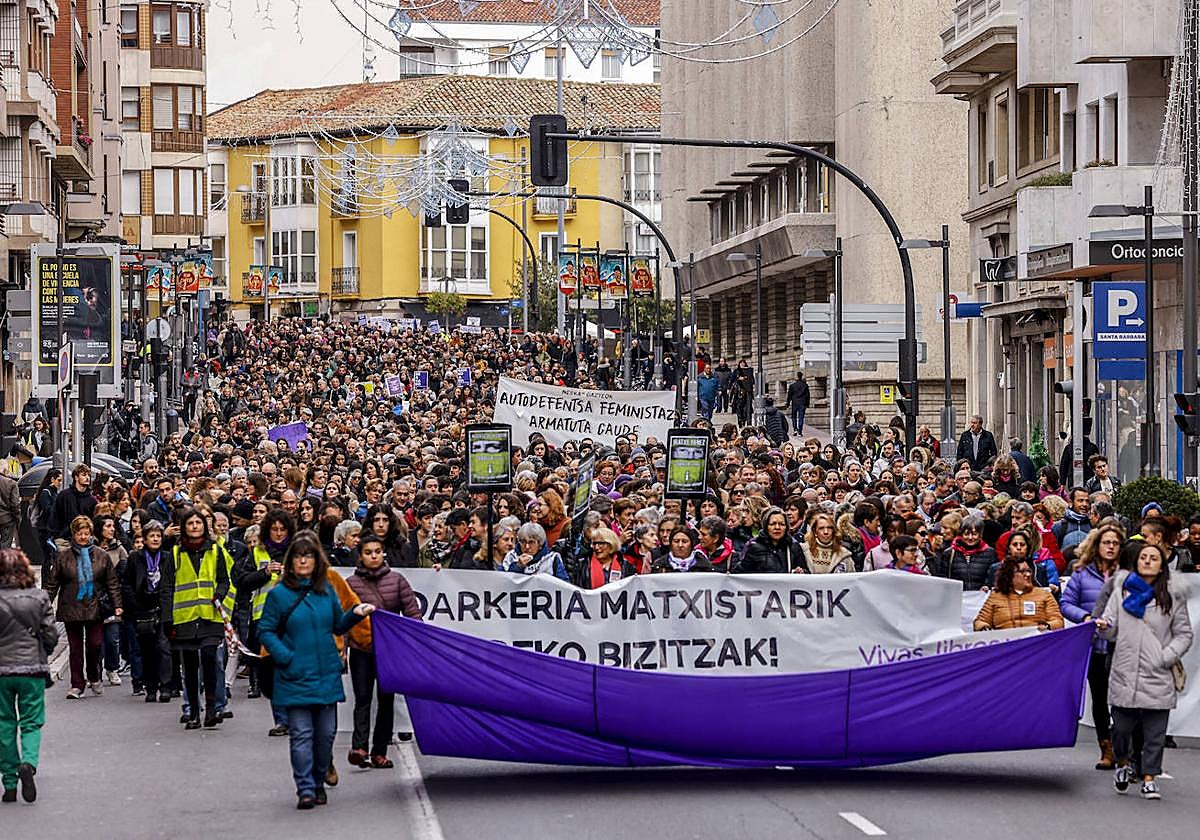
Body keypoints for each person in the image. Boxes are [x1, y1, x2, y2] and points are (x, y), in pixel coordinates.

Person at [257, 532, 373, 809]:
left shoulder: (326, 591)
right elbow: (266, 630)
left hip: (325, 673)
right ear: (290, 561)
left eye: (308, 556)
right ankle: (306, 788)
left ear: (316, 560)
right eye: (298, 556)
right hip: (294, 675)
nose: (303, 561)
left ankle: (319, 779)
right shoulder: (279, 595)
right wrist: (285, 656)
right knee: (301, 735)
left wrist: (355, 615)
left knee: (326, 735)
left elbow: (337, 625)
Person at [1097, 542, 1193, 800]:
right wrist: (1104, 627)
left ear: (1162, 565)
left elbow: (1184, 634)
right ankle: (1122, 763)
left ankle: (1150, 778)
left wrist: (1165, 656)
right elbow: (1111, 628)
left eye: (1154, 558)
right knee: (1121, 729)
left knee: (1155, 734)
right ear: (1136, 562)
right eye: (1143, 557)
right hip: (1125, 669)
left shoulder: (1172, 596)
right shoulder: (1121, 592)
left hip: (1157, 672)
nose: (1148, 561)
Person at [343, 533, 420, 770]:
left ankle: (379, 752)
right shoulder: (351, 584)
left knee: (386, 700)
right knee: (362, 698)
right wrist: (341, 649)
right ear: (360, 556)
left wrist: (415, 644)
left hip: (389, 652)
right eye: (368, 552)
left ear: (383, 553)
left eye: (377, 551)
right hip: (361, 650)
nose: (374, 556)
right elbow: (343, 618)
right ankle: (359, 748)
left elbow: (412, 614)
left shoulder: (397, 580)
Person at [160, 508, 233, 729]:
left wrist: (219, 594)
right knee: (190, 666)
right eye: (190, 523)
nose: (194, 526)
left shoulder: (215, 550)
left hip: (210, 616)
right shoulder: (175, 554)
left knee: (210, 658)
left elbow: (224, 579)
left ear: (204, 526)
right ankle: (193, 711)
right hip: (184, 618)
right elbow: (167, 587)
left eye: (198, 523)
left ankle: (211, 709)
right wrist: (167, 618)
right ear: (184, 527)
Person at [1061, 523, 1123, 770]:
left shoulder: (1128, 574)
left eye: (1115, 543)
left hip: (1122, 645)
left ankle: (1124, 746)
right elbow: (1066, 603)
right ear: (1097, 545)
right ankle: (1106, 748)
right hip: (1094, 645)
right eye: (1106, 542)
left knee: (1123, 698)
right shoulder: (1082, 573)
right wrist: (1086, 617)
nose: (1111, 547)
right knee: (1099, 697)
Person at [0, 549, 58, 804]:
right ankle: (28, 763)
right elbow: (51, 634)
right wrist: (43, 651)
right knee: (31, 721)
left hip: (1, 671)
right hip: (31, 669)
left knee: (4, 724)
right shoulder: (39, 597)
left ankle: (9, 783)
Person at [44, 516, 122, 699]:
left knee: (95, 644)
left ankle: (94, 676)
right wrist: (44, 603)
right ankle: (77, 685)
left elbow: (112, 582)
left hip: (95, 606)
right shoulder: (63, 556)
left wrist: (117, 604)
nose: (83, 537)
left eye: (86, 533)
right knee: (75, 648)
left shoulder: (101, 555)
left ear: (91, 534)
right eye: (79, 533)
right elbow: (52, 583)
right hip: (71, 605)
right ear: (73, 534)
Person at [120, 520, 173, 704]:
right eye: (152, 536)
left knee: (164, 647)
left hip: (162, 607)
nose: (155, 539)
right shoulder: (135, 558)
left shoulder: (168, 557)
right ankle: (150, 686)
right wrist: (134, 605)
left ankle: (165, 686)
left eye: (158, 536)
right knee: (147, 649)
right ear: (144, 538)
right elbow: (127, 583)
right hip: (142, 609)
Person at [972, 557, 1064, 631]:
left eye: (1029, 571)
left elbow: (1058, 621)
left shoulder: (1044, 594)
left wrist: (1047, 626)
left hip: (1037, 644)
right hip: (1006, 644)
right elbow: (980, 621)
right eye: (1022, 571)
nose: (1028, 575)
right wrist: (984, 627)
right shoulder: (995, 596)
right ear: (1009, 575)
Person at [931, 513, 996, 591]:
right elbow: (943, 578)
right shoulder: (950, 553)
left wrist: (987, 586)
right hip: (957, 596)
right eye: (966, 534)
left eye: (974, 534)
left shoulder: (989, 553)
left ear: (980, 535)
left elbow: (994, 577)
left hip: (982, 597)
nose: (970, 538)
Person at [734, 508, 807, 573]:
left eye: (782, 524)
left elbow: (806, 573)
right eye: (773, 524)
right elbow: (740, 573)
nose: (777, 527)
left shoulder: (793, 546)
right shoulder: (753, 547)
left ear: (786, 527)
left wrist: (801, 571)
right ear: (766, 526)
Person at [504, 523, 570, 580]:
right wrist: (518, 566)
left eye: (531, 542)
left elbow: (563, 583)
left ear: (540, 544)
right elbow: (504, 581)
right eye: (523, 542)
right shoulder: (511, 556)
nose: (527, 546)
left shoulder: (552, 559)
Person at [0, 472, 19, 550]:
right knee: (5, 544)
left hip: (6, 519)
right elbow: (15, 505)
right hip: (7, 519)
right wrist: (17, 518)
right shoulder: (11, 483)